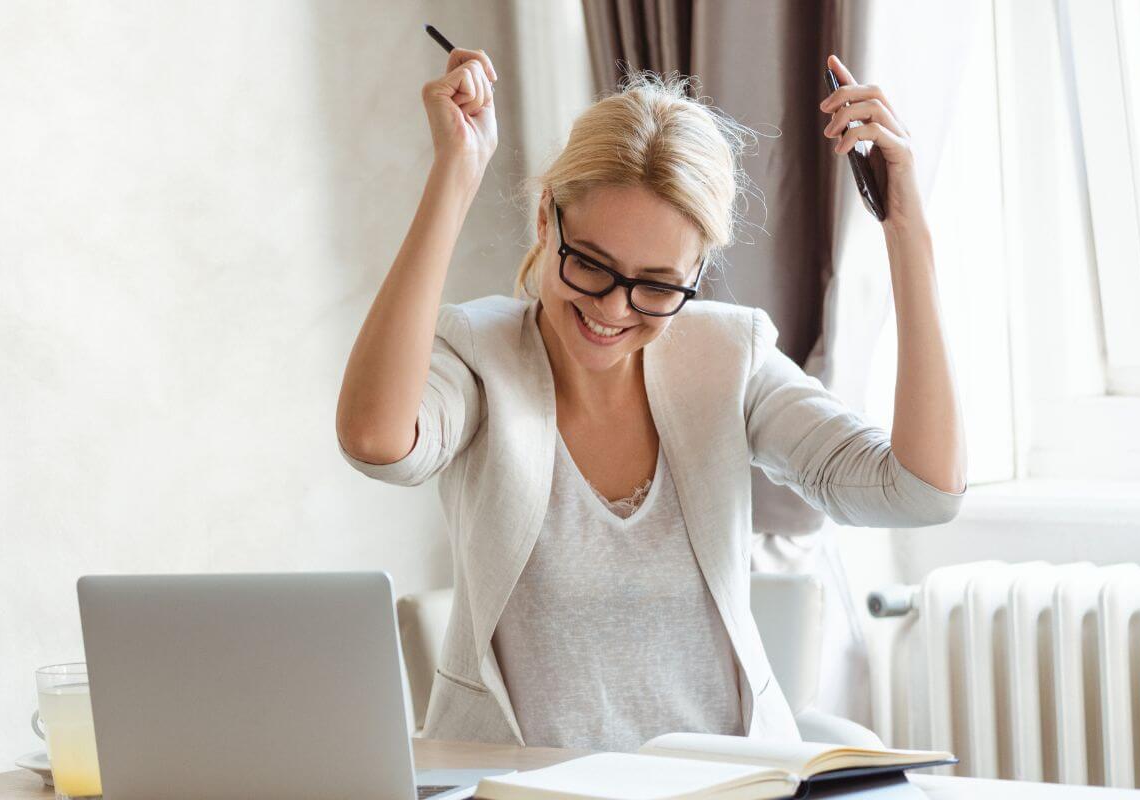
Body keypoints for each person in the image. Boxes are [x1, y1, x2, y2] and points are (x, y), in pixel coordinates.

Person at [335, 47, 967, 752]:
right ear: (547, 220)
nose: (613, 308)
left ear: (697, 271)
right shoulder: (480, 355)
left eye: (659, 285)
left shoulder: (727, 357)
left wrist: (907, 231)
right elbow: (375, 440)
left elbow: (920, 492)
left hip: (720, 788)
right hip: (523, 790)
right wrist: (455, 176)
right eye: (591, 264)